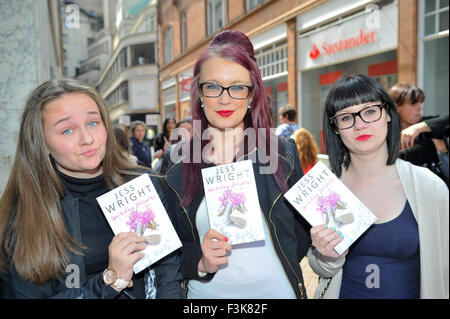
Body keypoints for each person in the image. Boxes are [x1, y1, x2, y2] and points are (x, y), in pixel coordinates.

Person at [160, 30, 311, 299]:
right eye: (213, 86)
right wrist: (199, 260)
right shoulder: (175, 163)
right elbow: (163, 249)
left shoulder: (282, 154)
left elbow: (300, 235)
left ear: (252, 94)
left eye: (238, 87)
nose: (225, 98)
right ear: (200, 93)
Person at [0, 79, 185, 299]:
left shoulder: (142, 184)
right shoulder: (25, 214)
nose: (87, 139)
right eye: (67, 130)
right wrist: (111, 279)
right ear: (41, 143)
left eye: (93, 123)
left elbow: (169, 275)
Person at [309, 74, 448, 299]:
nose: (360, 124)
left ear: (388, 115)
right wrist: (327, 256)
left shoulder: (429, 188)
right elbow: (321, 269)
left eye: (370, 111)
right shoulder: (325, 189)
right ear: (335, 128)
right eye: (346, 118)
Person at [389, 83, 449, 184]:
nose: (420, 108)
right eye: (413, 103)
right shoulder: (386, 132)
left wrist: (419, 127)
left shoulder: (425, 125)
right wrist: (431, 146)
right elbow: (388, 161)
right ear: (396, 106)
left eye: (420, 103)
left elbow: (446, 119)